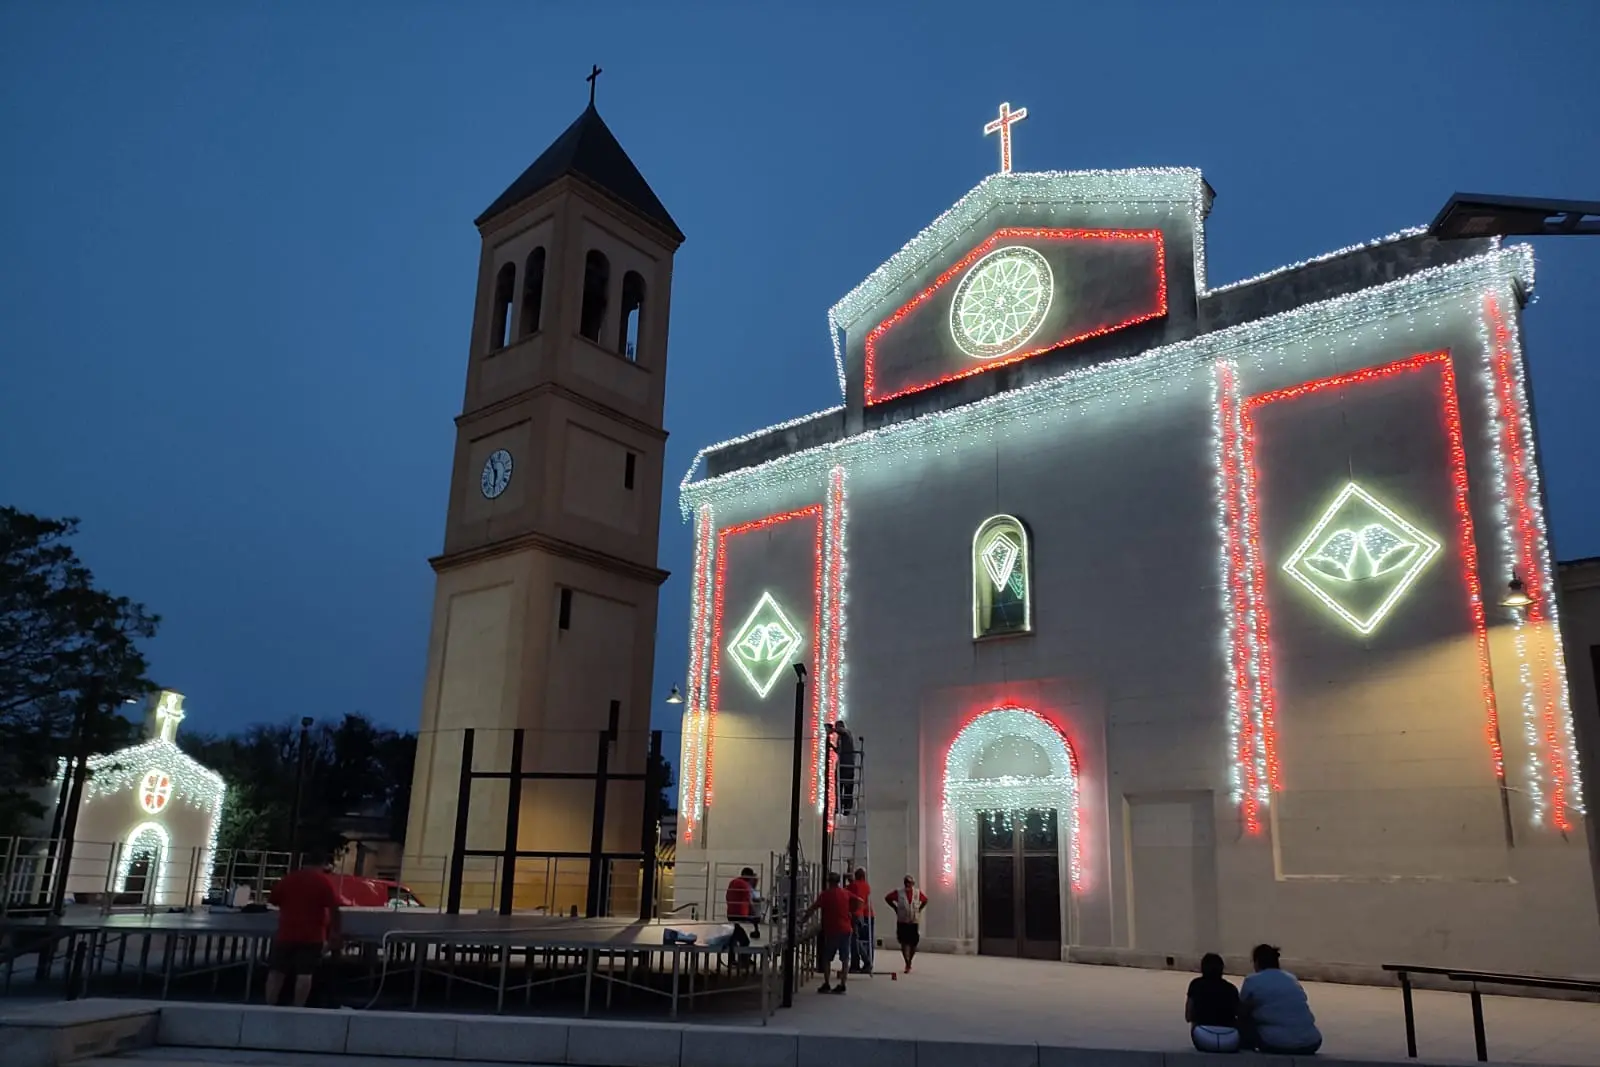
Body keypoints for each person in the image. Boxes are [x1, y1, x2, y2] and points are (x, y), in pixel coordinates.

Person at [264, 852, 342, 1007]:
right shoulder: (323, 882)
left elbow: (273, 900)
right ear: (322, 864)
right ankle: (298, 1006)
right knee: (305, 973)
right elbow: (335, 908)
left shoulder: (288, 879)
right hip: (312, 935)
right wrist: (335, 932)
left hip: (286, 932)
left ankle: (269, 1005)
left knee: (277, 972)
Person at [1238, 944, 1322, 1055]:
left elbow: (1241, 1010)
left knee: (1245, 1018)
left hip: (1276, 1042)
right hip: (1311, 1041)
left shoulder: (1252, 980)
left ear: (1257, 962)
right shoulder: (1291, 978)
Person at [802, 871, 855, 993]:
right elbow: (859, 901)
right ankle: (842, 984)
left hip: (832, 930)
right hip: (846, 929)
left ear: (828, 882)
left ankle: (826, 983)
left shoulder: (825, 895)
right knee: (845, 958)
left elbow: (812, 909)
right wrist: (851, 913)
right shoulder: (845, 893)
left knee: (827, 958)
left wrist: (802, 921)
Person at [1186, 952, 1241, 1052]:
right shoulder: (1231, 988)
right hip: (1229, 1038)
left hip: (1203, 1035)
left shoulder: (1196, 985)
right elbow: (1240, 1014)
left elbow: (1188, 1016)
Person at [884, 874, 927, 974]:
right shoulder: (899, 892)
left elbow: (925, 900)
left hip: (913, 920)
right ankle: (907, 962)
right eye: (906, 882)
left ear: (913, 884)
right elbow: (887, 898)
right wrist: (895, 907)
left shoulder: (917, 892)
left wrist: (919, 910)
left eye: (910, 883)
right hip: (902, 920)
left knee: (914, 943)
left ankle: (910, 960)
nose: (908, 885)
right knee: (904, 942)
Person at [848, 865, 874, 974]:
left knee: (854, 940)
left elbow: (845, 892)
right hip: (866, 914)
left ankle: (862, 962)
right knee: (866, 940)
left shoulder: (853, 886)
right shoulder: (866, 886)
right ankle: (866, 961)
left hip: (855, 914)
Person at [726, 867, 760, 940]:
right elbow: (749, 902)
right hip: (741, 915)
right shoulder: (745, 885)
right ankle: (756, 932)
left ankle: (736, 938)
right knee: (756, 918)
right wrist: (755, 914)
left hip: (730, 914)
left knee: (737, 929)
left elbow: (728, 896)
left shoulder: (733, 882)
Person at [832, 719, 856, 815]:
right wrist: (832, 747)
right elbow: (838, 750)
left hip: (848, 765)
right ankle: (839, 806)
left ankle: (846, 808)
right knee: (839, 787)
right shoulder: (840, 738)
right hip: (841, 765)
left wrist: (833, 730)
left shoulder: (847, 734)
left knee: (847, 788)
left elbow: (843, 731)